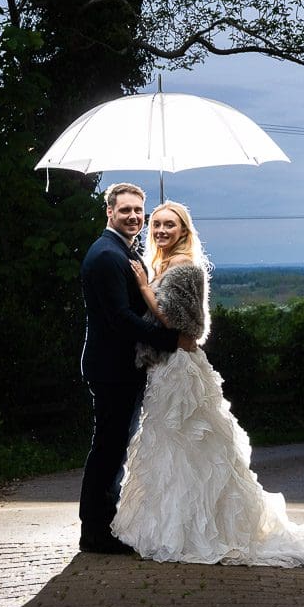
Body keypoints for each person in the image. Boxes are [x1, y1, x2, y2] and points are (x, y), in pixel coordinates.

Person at [112, 201, 304, 568]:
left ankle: (198, 531)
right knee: (169, 449)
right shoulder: (164, 264)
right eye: (156, 225)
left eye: (169, 225)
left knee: (190, 445)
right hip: (164, 368)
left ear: (184, 231)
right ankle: (168, 526)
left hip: (180, 370)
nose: (160, 231)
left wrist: (142, 286)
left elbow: (175, 320)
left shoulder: (185, 267)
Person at [77, 183, 188, 555]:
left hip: (118, 366)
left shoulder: (122, 251)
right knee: (108, 449)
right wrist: (171, 340)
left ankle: (99, 527)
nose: (133, 217)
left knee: (111, 447)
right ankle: (95, 532)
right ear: (109, 212)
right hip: (112, 367)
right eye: (125, 210)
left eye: (138, 211)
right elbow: (121, 320)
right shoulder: (107, 255)